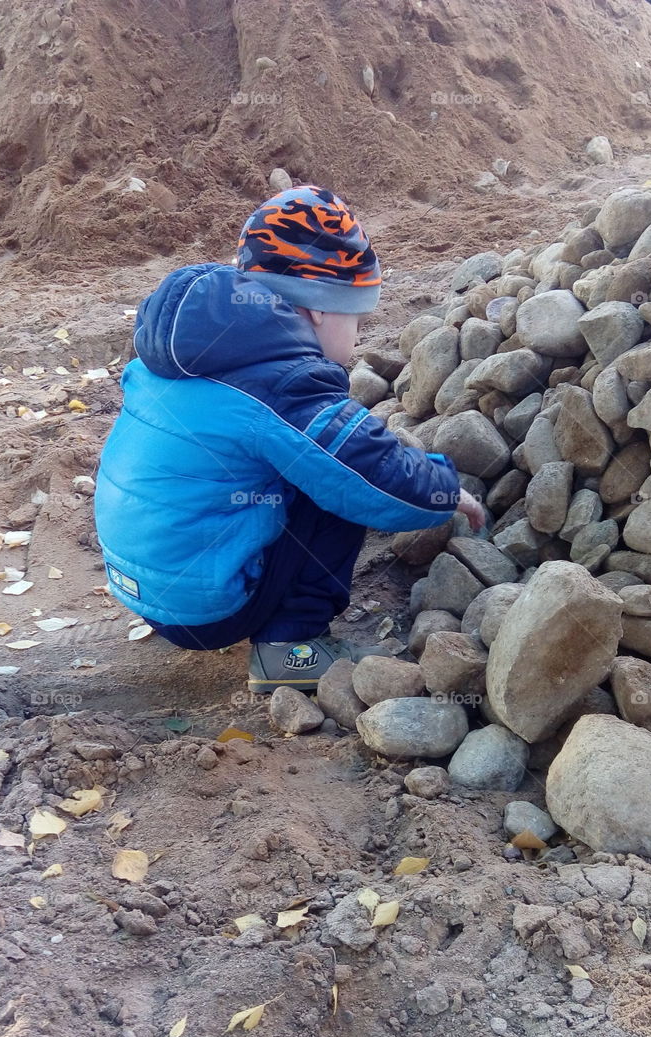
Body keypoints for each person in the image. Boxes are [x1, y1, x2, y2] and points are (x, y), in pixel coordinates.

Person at [94, 184, 485, 693]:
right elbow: (369, 472)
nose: (359, 336)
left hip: (142, 585)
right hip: (206, 611)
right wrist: (443, 488)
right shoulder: (283, 380)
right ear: (320, 310)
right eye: (358, 319)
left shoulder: (186, 349)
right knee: (335, 486)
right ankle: (289, 654)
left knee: (288, 465)